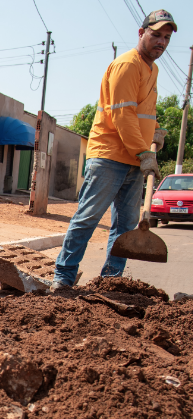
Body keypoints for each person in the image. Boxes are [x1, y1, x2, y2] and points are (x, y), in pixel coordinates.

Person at [52, 10, 176, 289]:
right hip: (109, 156)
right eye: (156, 34)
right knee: (88, 218)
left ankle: (110, 282)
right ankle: (63, 277)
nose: (161, 42)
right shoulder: (127, 65)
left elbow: (143, 109)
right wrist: (144, 153)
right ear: (141, 33)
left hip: (135, 160)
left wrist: (154, 130)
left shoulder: (152, 69)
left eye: (166, 38)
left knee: (125, 227)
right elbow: (123, 116)